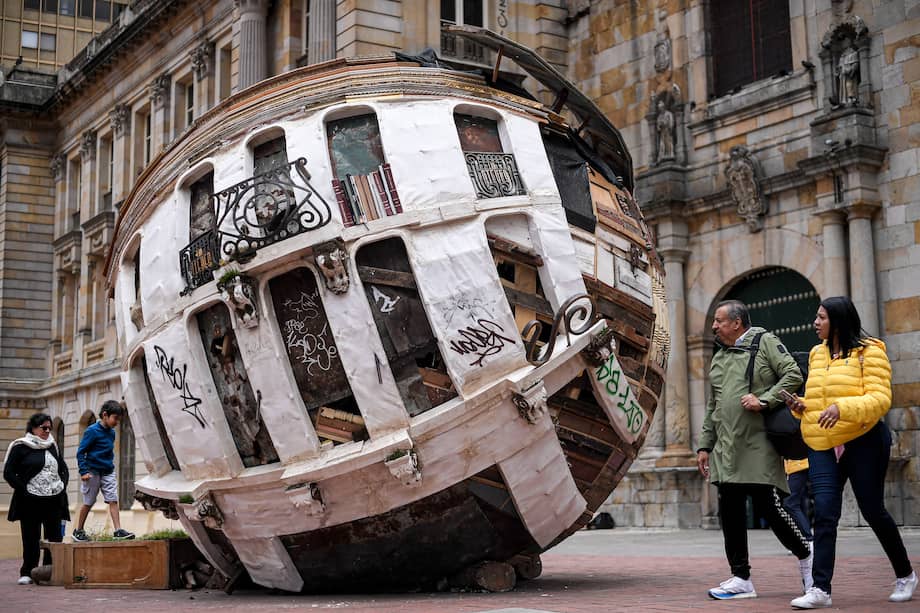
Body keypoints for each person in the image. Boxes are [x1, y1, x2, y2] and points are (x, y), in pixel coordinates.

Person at [786, 296, 916, 608]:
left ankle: (906, 574)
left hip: (864, 439)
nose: (815, 323)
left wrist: (842, 407)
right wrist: (799, 408)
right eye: (815, 317)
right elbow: (817, 400)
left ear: (839, 321)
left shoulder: (870, 352)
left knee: (873, 510)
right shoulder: (817, 354)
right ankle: (820, 590)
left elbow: (880, 399)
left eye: (821, 318)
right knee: (826, 513)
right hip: (823, 441)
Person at [697, 300, 812, 600]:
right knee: (730, 512)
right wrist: (705, 444)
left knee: (769, 507)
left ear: (737, 323)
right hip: (726, 446)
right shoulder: (718, 356)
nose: (714, 326)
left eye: (719, 321)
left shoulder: (765, 341)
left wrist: (764, 400)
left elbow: (792, 375)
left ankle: (806, 555)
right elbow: (714, 404)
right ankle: (741, 577)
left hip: (757, 441)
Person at [3, 413, 70, 585]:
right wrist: (23, 489)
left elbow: (63, 468)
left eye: (50, 428)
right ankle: (28, 571)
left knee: (54, 537)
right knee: (31, 537)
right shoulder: (20, 446)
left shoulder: (52, 445)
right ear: (33, 428)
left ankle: (49, 571)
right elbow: (9, 472)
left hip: (53, 500)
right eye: (44, 428)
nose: (47, 431)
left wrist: (62, 484)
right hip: (30, 501)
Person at [72, 400, 135, 542]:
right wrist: (83, 471)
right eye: (115, 418)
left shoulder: (112, 433)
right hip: (92, 472)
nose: (117, 422)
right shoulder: (92, 431)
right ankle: (79, 530)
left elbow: (108, 452)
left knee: (113, 499)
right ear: (105, 415)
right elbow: (81, 452)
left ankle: (118, 530)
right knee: (88, 502)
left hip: (108, 471)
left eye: (119, 419)